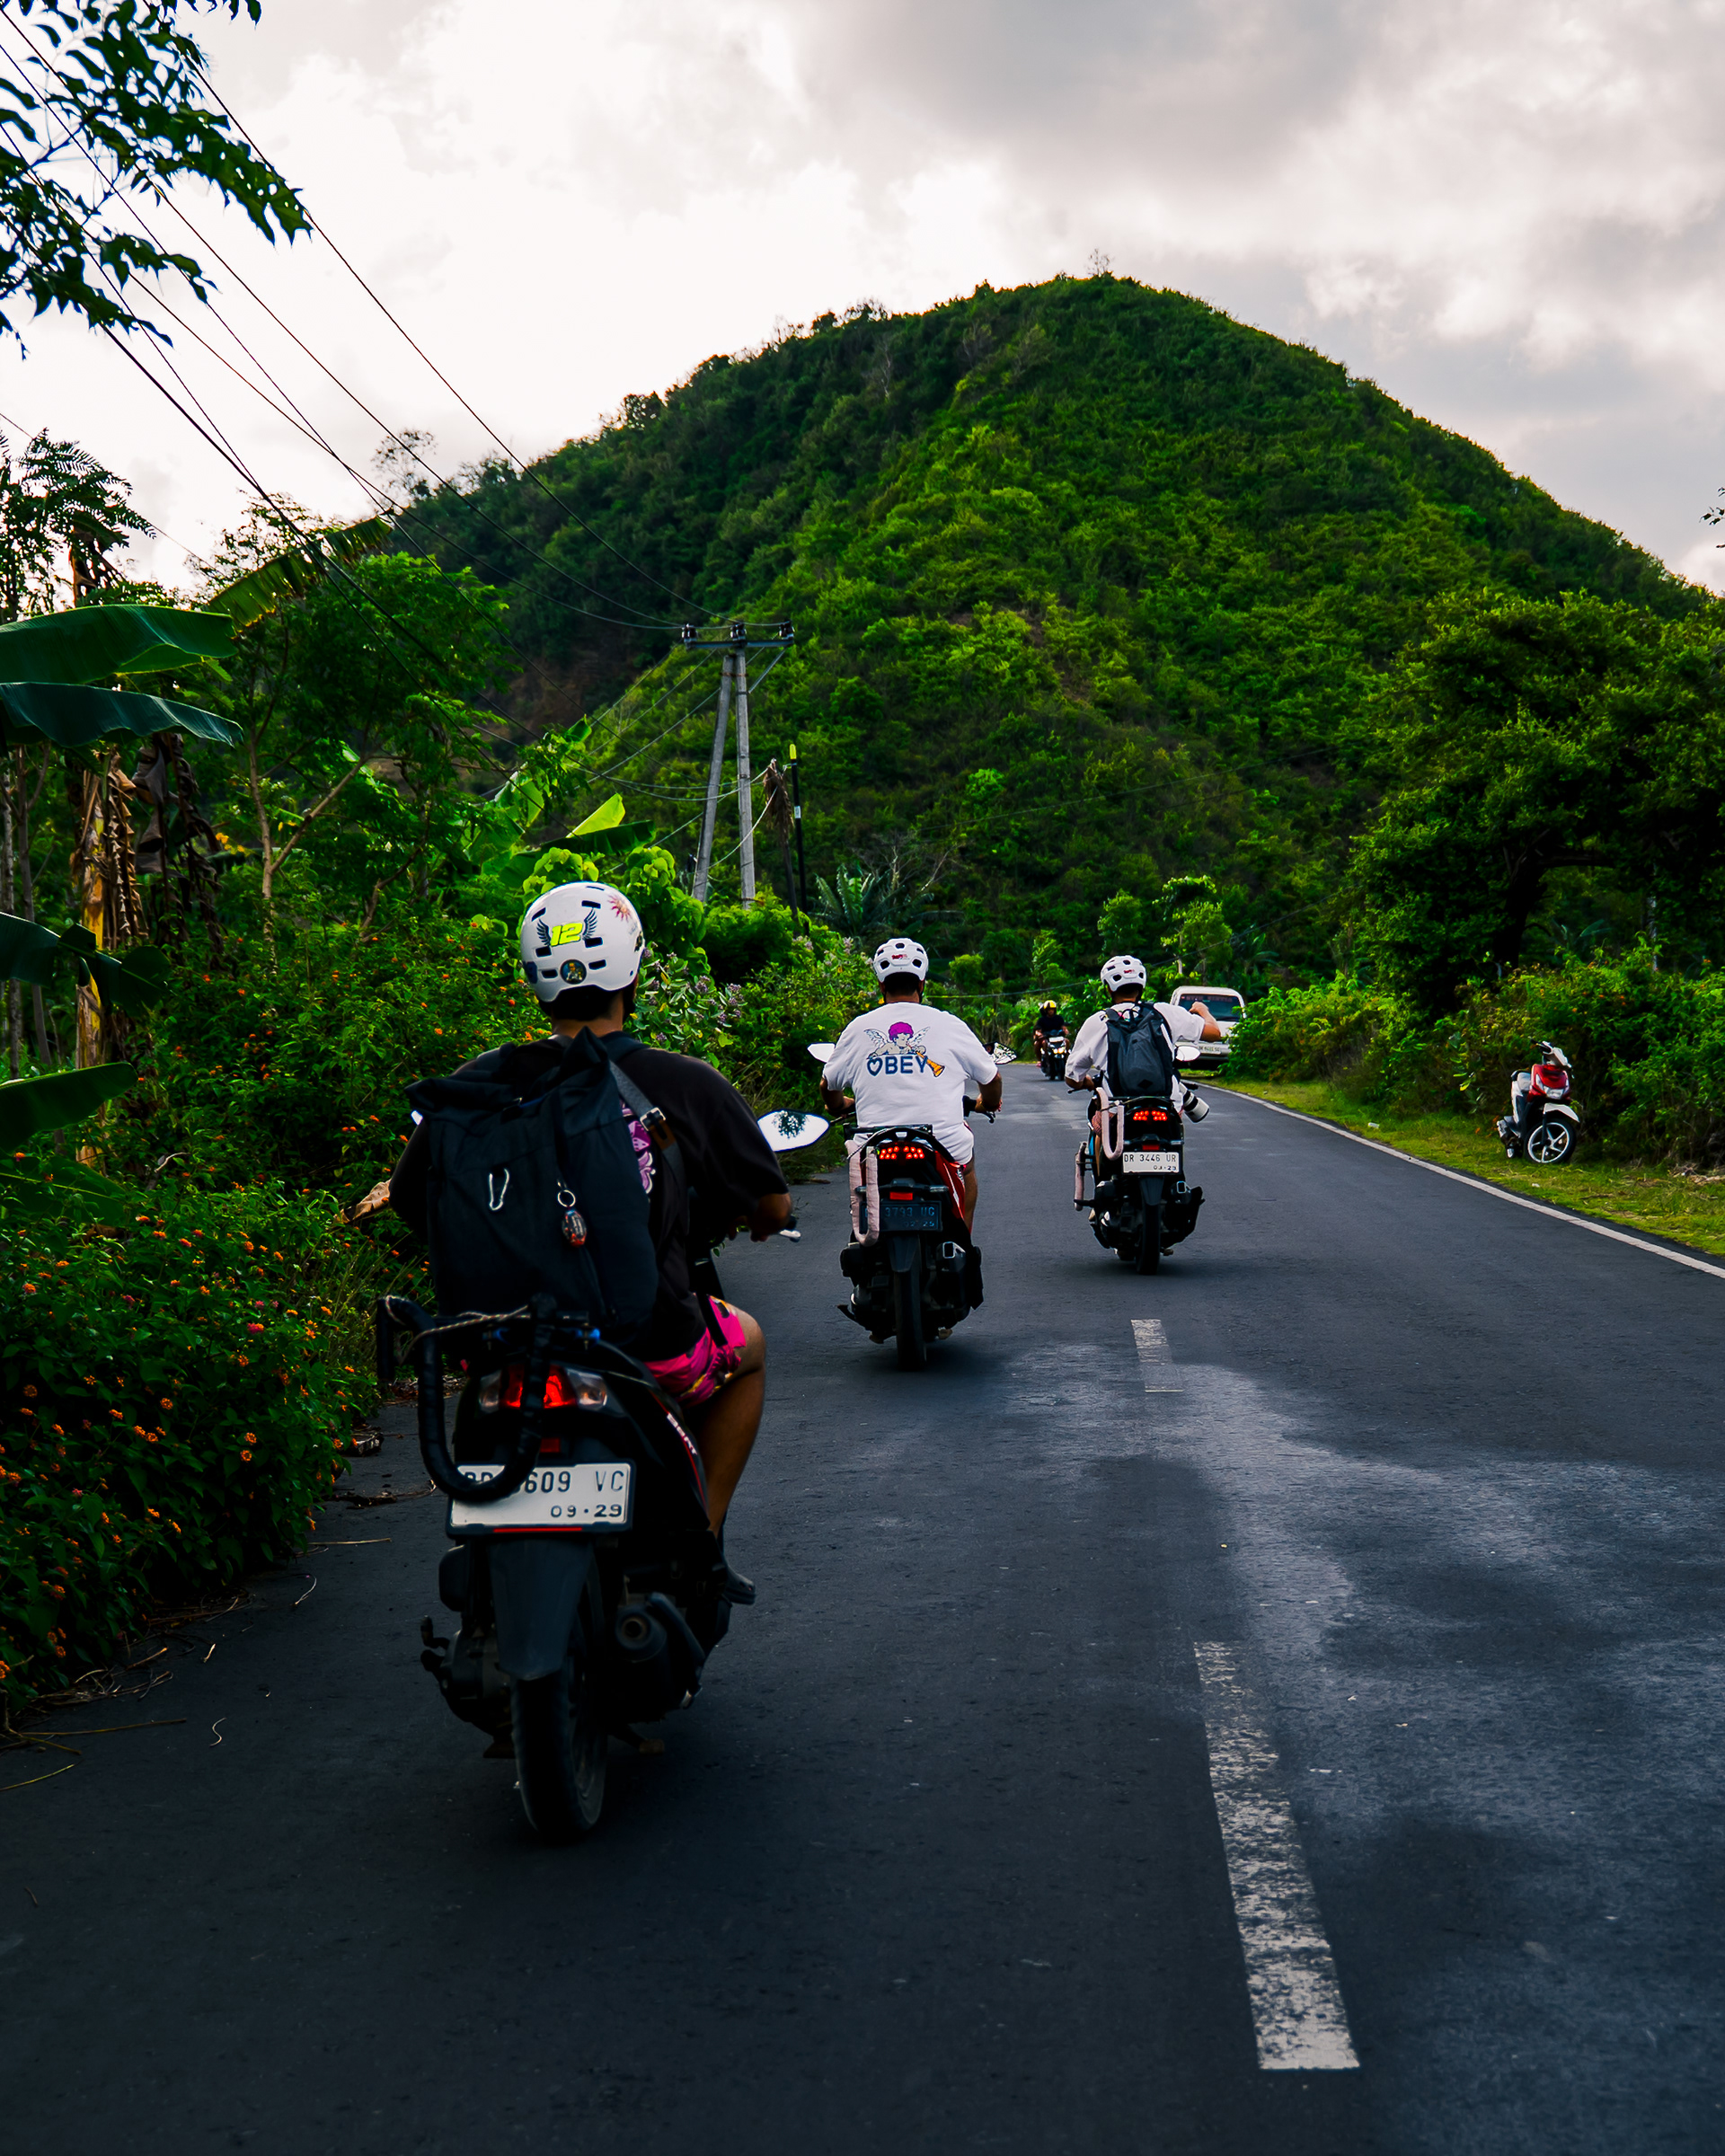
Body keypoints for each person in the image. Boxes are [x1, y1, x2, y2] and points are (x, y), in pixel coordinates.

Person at [386, 880, 792, 1575]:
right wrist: (747, 1218)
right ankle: (700, 1538)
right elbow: (773, 1207)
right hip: (647, 1344)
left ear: (535, 985)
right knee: (746, 1345)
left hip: (503, 1345)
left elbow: (407, 1197)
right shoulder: (685, 1082)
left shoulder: (480, 1081)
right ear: (633, 975)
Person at [819, 934, 1002, 1229]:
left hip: (875, 1145)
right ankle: (962, 1241)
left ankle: (866, 1236)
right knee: (967, 1170)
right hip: (941, 1143)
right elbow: (992, 1078)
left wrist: (839, 1105)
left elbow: (828, 1086)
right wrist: (988, 1103)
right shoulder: (949, 1023)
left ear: (882, 986)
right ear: (921, 983)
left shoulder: (858, 1028)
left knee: (862, 1187)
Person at [1065, 954, 1223, 1121]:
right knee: (1174, 1127)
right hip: (1166, 1106)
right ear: (1141, 987)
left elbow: (1072, 1076)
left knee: (1097, 1125)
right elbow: (1214, 1033)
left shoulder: (1097, 1022)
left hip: (1118, 1109)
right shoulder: (1165, 1012)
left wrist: (1086, 1082)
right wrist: (1203, 1010)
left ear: (1109, 989)